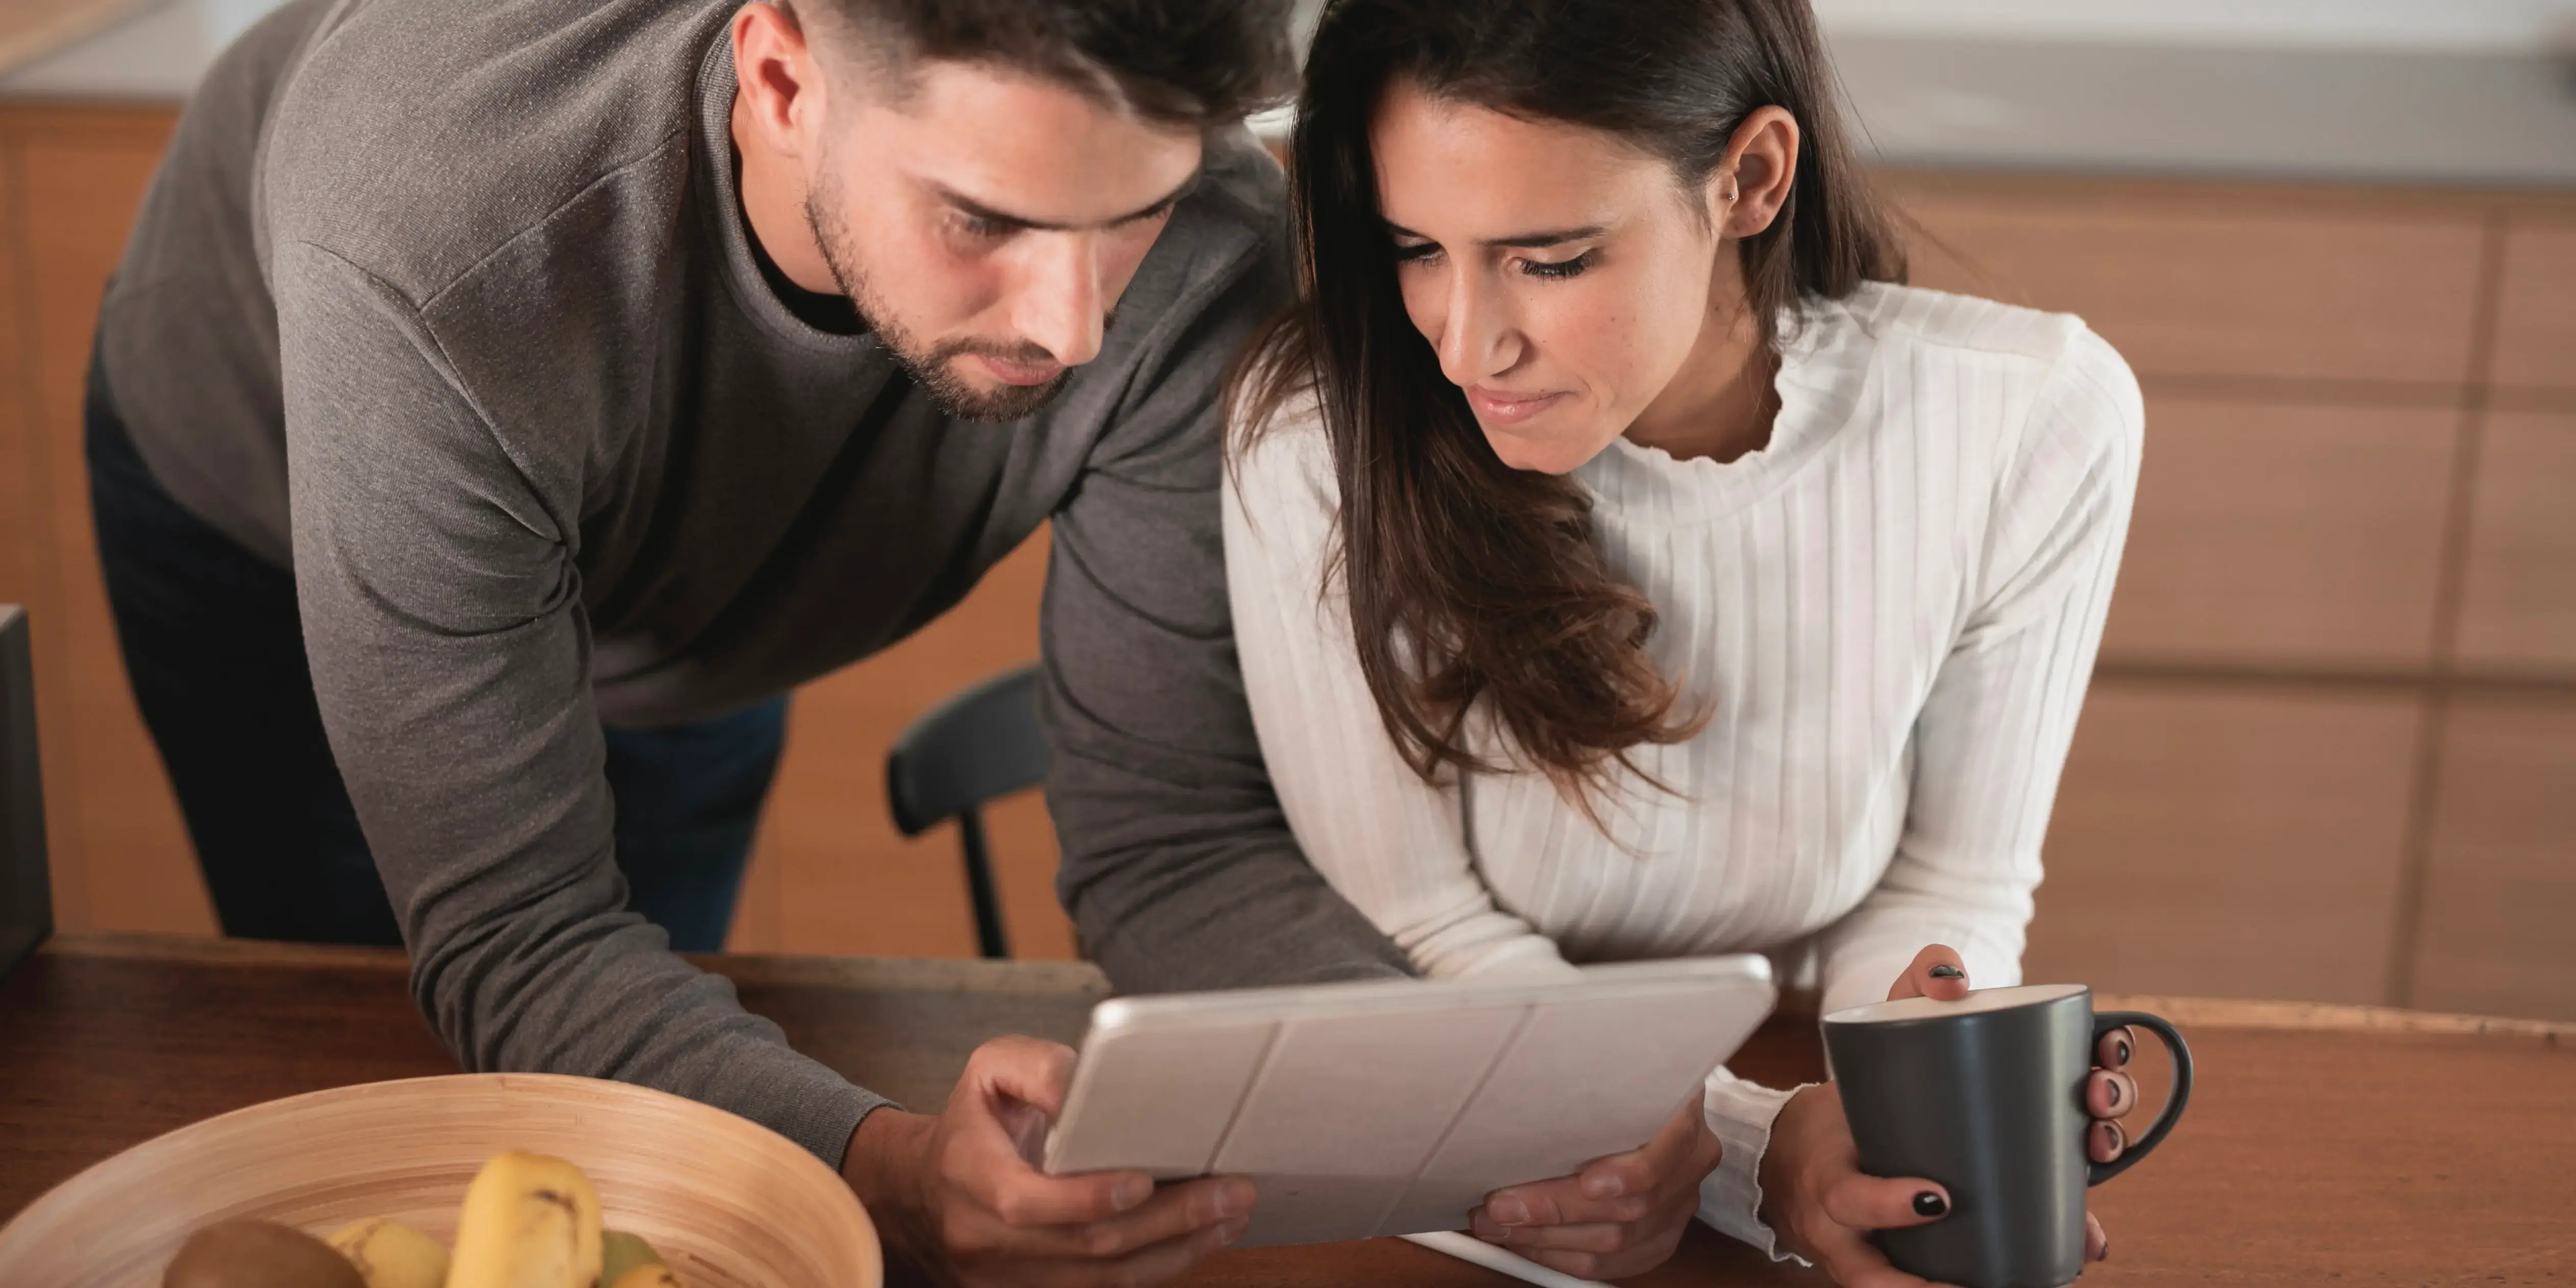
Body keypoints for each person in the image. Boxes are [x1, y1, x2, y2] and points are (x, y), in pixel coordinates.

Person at [84, 0, 1420, 1282]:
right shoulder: (442, 228)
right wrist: (890, 1172)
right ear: (783, 85)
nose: (1069, 327)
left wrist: (1472, 1112)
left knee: (660, 1091)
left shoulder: (1210, 246)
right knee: (377, 1089)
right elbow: (521, 939)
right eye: (986, 218)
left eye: (1132, 214)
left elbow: (1170, 841)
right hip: (269, 483)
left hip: (681, 523)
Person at [1209, 0, 2149, 1281]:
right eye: (1416, 247)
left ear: (1750, 179)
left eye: (1549, 258)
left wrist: (1914, 1105)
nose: (1463, 341)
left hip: (1766, 1077)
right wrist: (1760, 1151)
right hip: (1492, 1129)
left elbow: (1948, 885)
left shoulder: (2029, 424)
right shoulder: (1322, 440)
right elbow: (1420, 923)